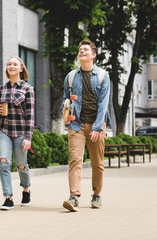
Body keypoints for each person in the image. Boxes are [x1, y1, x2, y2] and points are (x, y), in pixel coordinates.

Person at [62, 40, 110, 212]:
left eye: (85, 50)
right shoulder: (71, 76)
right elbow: (65, 99)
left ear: (93, 55)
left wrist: (98, 127)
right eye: (80, 49)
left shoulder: (103, 76)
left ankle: (96, 194)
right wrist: (65, 109)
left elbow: (103, 104)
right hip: (76, 125)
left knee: (97, 163)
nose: (81, 51)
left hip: (97, 124)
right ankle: (74, 197)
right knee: (75, 160)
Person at [0, 56, 35, 210]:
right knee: (3, 162)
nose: (11, 66)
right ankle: (8, 197)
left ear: (21, 69)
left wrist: (28, 137)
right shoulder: (1, 88)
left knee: (21, 165)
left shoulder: (27, 88)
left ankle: (26, 189)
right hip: (4, 130)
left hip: (20, 131)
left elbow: (30, 115)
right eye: (9, 64)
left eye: (14, 64)